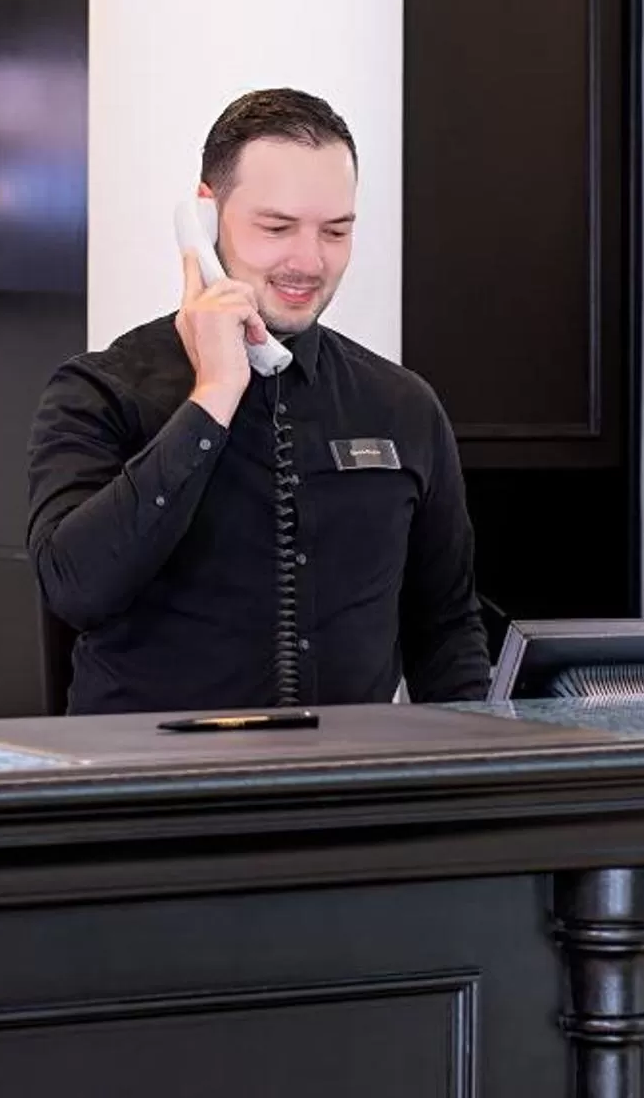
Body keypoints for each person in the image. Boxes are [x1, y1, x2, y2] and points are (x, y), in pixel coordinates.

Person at [26, 88, 491, 713]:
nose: (308, 260)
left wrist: (474, 781)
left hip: (349, 794)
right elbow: (75, 588)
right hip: (152, 793)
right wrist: (213, 396)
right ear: (206, 218)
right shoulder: (100, 392)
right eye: (276, 227)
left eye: (335, 231)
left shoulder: (402, 406)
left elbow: (447, 631)